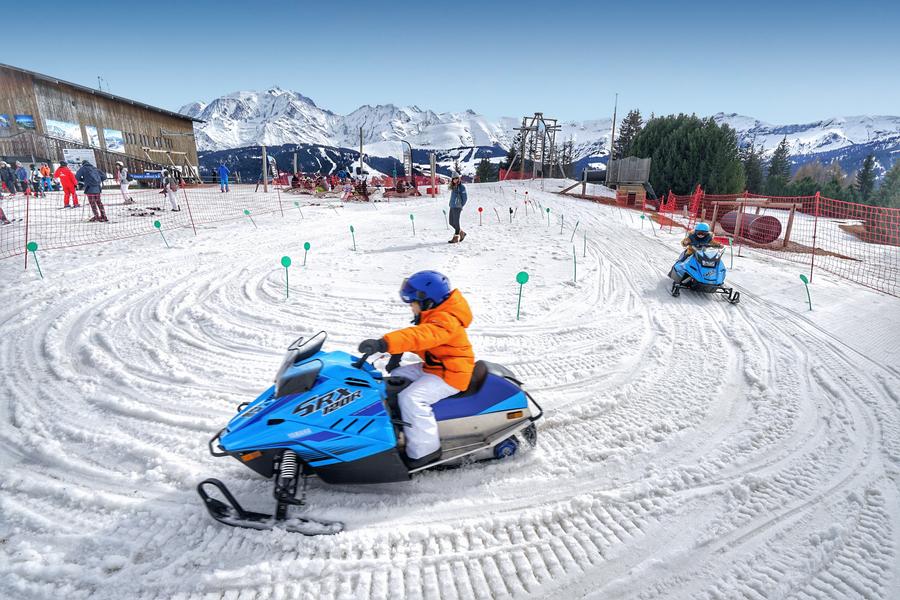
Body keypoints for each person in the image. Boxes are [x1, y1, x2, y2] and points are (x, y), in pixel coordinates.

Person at [357, 271, 474, 469]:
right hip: (437, 366)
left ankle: (425, 452)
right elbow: (423, 340)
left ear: (427, 301)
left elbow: (422, 336)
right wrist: (397, 354)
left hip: (452, 373)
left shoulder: (446, 320)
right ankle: (397, 426)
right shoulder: (437, 315)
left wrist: (385, 344)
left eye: (413, 303)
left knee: (412, 398)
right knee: (396, 378)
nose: (411, 307)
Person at [448, 172, 467, 243]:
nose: (455, 180)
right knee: (451, 222)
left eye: (456, 178)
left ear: (458, 178)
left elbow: (465, 198)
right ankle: (462, 233)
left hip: (457, 207)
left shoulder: (462, 187)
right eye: (454, 179)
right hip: (452, 206)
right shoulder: (453, 187)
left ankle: (456, 237)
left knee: (456, 222)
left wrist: (461, 205)